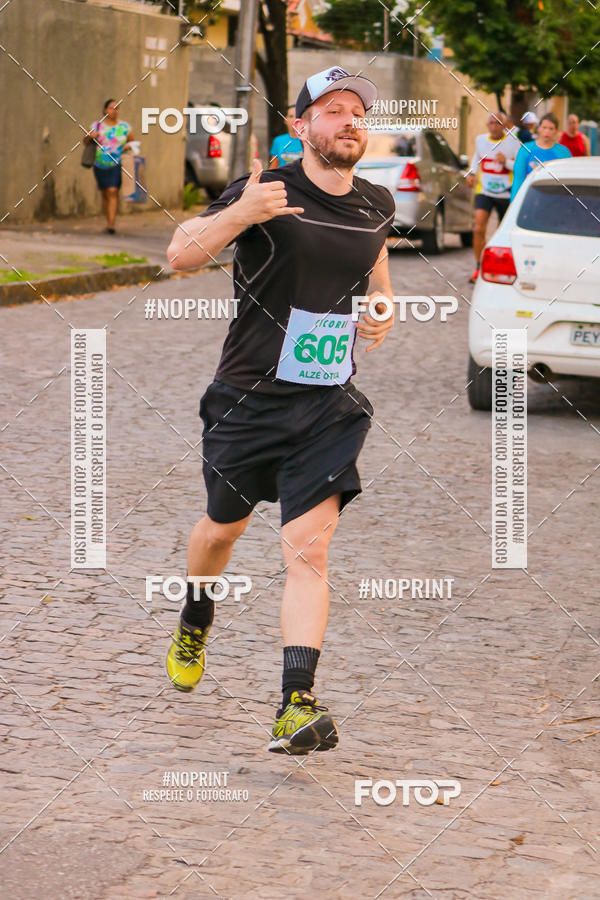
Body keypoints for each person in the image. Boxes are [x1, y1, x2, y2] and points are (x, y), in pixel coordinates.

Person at [165, 66, 395, 756]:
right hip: (248, 399)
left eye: (358, 111)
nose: (348, 120)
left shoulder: (375, 202)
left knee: (310, 549)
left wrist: (381, 306)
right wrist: (242, 213)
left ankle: (296, 703)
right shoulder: (267, 189)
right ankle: (196, 613)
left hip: (327, 405)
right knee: (219, 534)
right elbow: (179, 253)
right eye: (332, 109)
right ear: (301, 127)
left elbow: (375, 267)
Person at [465, 112, 520, 282]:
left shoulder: (513, 142)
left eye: (498, 123)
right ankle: (478, 266)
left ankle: (497, 265)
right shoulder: (481, 140)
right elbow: (477, 156)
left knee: (502, 231)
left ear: (504, 125)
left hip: (506, 192)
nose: (494, 126)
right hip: (485, 191)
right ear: (487, 125)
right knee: (479, 227)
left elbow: (520, 166)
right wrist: (472, 173)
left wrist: (507, 163)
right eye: (491, 123)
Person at [84, 99, 134, 234]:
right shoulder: (97, 125)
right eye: (111, 108)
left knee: (113, 191)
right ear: (105, 110)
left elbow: (133, 143)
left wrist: (129, 146)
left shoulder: (125, 127)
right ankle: (108, 221)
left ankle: (111, 225)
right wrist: (90, 136)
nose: (114, 111)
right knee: (105, 193)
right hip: (99, 164)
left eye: (117, 108)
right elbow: (85, 141)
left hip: (117, 163)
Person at [511, 113, 572, 200]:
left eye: (551, 128)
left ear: (556, 131)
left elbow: (568, 179)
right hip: (530, 197)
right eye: (544, 127)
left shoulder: (563, 152)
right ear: (538, 128)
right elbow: (518, 178)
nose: (547, 131)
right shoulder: (525, 149)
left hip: (555, 198)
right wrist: (515, 201)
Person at [268, 104, 304, 168]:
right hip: (281, 177)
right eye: (291, 116)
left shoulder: (309, 141)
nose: (294, 119)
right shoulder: (278, 141)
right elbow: (273, 167)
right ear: (285, 120)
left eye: (297, 116)